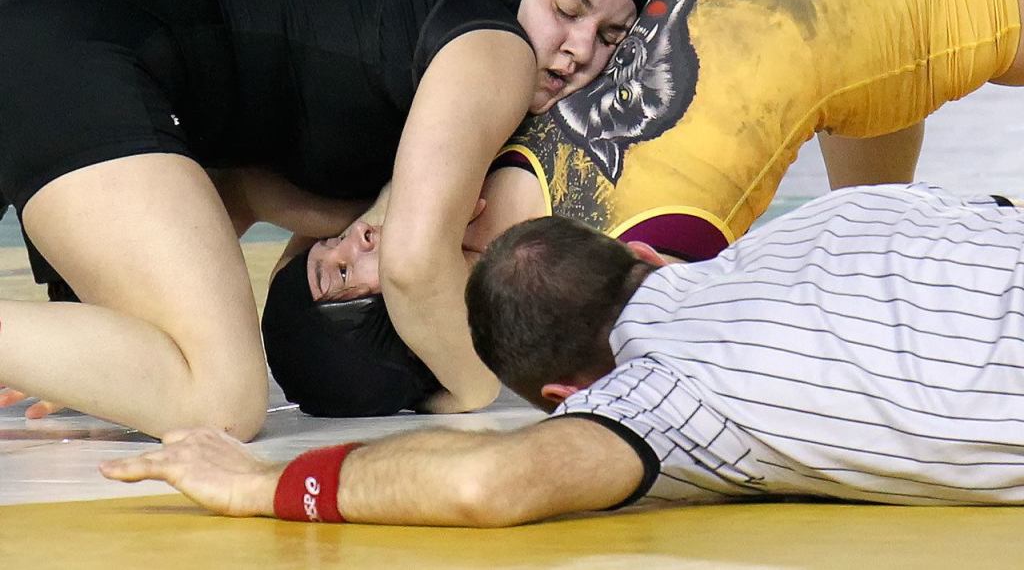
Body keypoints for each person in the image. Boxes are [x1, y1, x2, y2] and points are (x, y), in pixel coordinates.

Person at [260, 0, 1024, 414]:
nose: (356, 235)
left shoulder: (477, 131)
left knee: (870, 133)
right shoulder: (624, 256)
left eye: (330, 243)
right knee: (872, 207)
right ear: (410, 323)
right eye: (339, 271)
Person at [0, 0, 659, 436]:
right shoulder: (498, 49)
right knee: (222, 404)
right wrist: (479, 389)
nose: (577, 49)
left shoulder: (423, 39)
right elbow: (411, 262)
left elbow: (249, 194)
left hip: (59, 39)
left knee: (177, 372)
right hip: (86, 57)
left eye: (609, 36)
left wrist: (108, 347)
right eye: (566, 8)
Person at [102, 182, 1024, 524]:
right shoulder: (843, 209)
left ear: (564, 392)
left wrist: (268, 483)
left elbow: (487, 486)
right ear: (647, 252)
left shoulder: (669, 397)